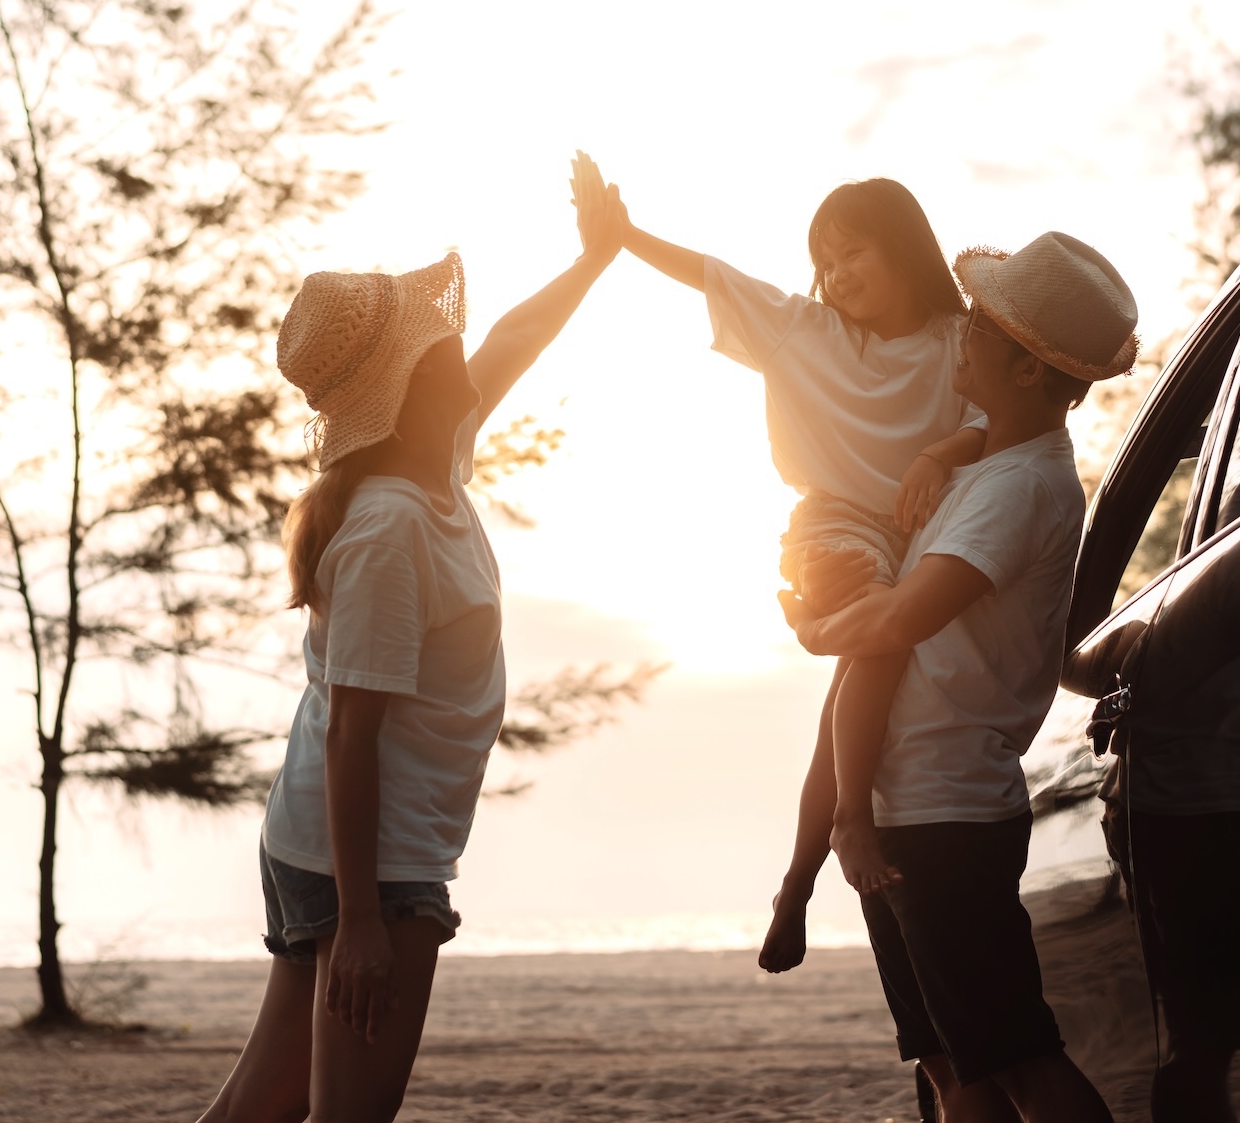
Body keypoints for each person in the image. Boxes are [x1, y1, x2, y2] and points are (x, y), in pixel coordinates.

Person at [195, 164, 623, 1123]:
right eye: (442, 343)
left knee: (267, 1098)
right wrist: (357, 923)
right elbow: (353, 731)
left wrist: (591, 262)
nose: (461, 347)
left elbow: (516, 338)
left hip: (348, 844)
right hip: (365, 861)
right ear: (415, 380)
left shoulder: (436, 463)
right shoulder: (391, 524)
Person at [569, 154, 987, 965]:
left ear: (906, 249)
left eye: (853, 252)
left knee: (855, 688)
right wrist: (622, 239)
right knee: (878, 635)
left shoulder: (958, 340)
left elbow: (989, 420)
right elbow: (710, 274)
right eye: (824, 259)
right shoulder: (811, 330)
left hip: (918, 532)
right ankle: (849, 823)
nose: (836, 272)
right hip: (832, 522)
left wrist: (941, 453)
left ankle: (797, 882)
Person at [783, 231, 1137, 1123]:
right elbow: (988, 435)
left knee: (1021, 1061)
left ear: (1027, 373)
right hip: (918, 810)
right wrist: (942, 449)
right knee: (959, 1067)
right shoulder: (997, 458)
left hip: (946, 816)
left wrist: (815, 626)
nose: (962, 335)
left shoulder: (1020, 489)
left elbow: (904, 618)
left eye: (982, 326)